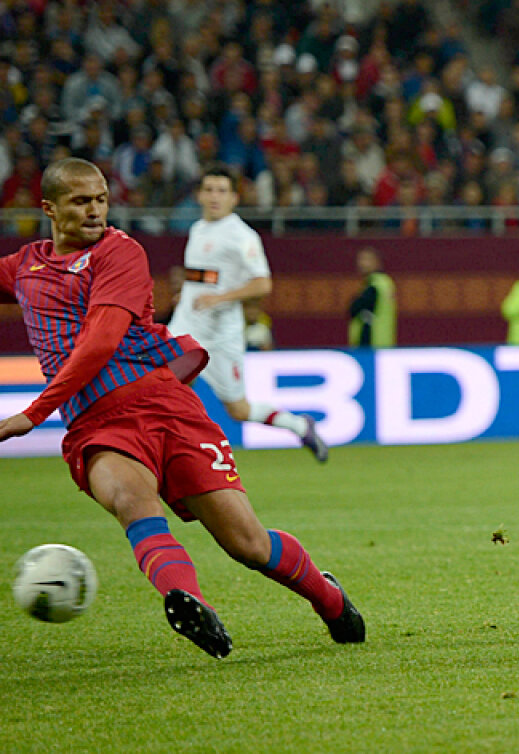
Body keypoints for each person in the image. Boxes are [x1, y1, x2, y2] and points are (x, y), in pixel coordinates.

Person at [0, 158, 364, 658]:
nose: (95, 211)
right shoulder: (24, 267)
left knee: (247, 544)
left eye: (101, 199)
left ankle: (329, 598)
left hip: (163, 405)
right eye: (80, 201)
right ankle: (185, 598)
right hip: (95, 424)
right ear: (48, 208)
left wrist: (32, 413)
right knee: (131, 501)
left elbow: (102, 341)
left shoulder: (119, 252)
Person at [167, 167, 329, 462]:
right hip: (187, 325)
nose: (215, 196)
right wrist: (188, 293)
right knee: (166, 386)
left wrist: (220, 298)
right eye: (210, 189)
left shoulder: (242, 236)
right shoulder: (197, 229)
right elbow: (205, 276)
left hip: (220, 335)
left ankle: (297, 424)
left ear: (234, 198)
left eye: (222, 191)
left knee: (238, 409)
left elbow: (263, 283)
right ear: (199, 195)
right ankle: (171, 452)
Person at [347, 246, 397, 348]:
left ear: (376, 262)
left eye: (366, 260)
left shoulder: (375, 286)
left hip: (372, 345)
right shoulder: (385, 283)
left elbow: (356, 309)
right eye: (360, 259)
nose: (361, 264)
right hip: (384, 343)